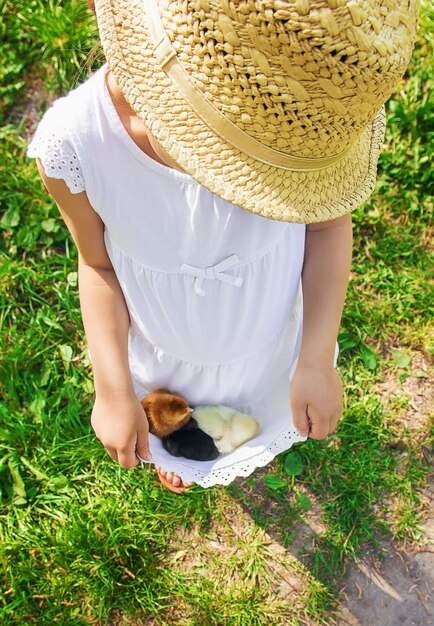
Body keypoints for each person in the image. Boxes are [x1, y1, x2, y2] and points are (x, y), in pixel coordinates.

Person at [28, 0, 418, 493]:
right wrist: (112, 389)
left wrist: (315, 358)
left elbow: (325, 229)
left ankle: (223, 434)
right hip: (165, 340)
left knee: (254, 402)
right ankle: (184, 437)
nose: (261, 181)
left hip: (266, 335)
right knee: (177, 409)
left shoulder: (305, 127)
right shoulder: (80, 143)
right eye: (252, 163)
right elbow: (97, 263)